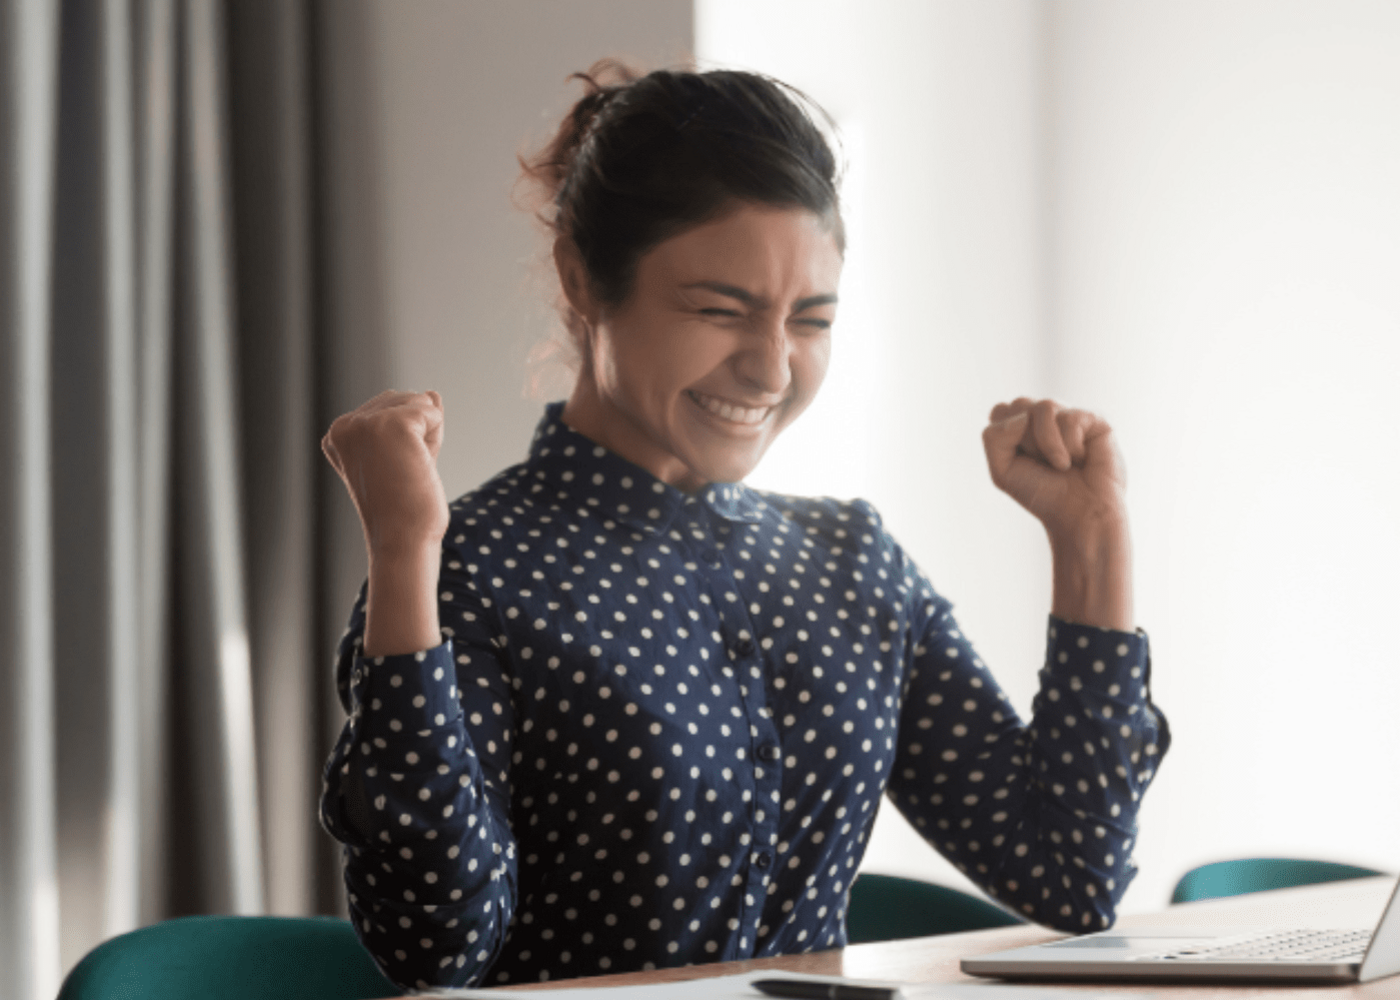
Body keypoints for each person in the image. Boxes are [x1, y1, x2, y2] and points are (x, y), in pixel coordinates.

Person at [318, 63, 1169, 991]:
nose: (770, 370)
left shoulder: (853, 562)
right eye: (719, 310)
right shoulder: (471, 569)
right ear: (581, 281)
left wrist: (1093, 542)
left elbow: (1070, 873)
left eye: (811, 319)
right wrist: (404, 551)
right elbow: (434, 947)